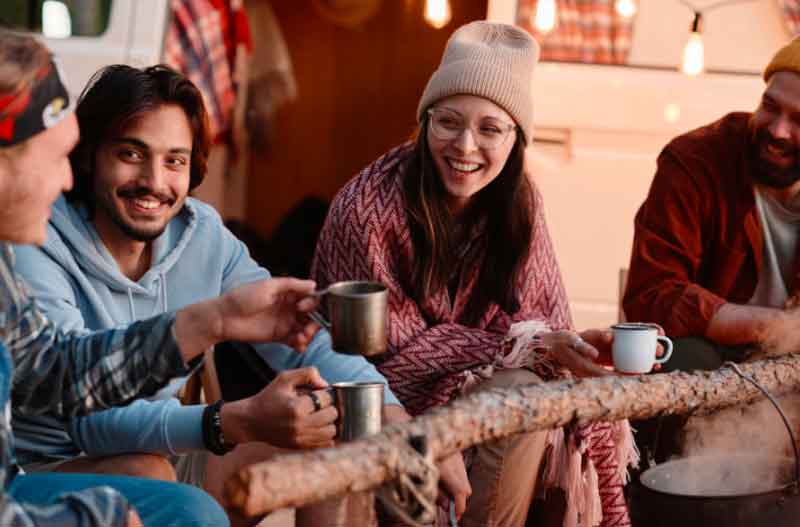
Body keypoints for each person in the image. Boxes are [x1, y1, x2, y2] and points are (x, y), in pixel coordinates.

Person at [9, 63, 437, 526]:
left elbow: (299, 334)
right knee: (146, 470)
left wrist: (392, 411)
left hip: (170, 443)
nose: (154, 181)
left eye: (175, 160)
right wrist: (226, 421)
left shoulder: (203, 237)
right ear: (90, 154)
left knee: (323, 447)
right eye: (132, 154)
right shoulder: (35, 240)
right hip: (51, 467)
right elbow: (86, 413)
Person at [312, 21, 637, 527]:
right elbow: (382, 358)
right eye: (448, 122)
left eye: (489, 129)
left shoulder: (520, 205)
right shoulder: (367, 207)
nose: (465, 146)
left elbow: (545, 329)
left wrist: (567, 348)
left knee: (539, 397)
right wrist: (527, 345)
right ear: (425, 122)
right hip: (371, 398)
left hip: (474, 394)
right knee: (520, 382)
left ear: (515, 139)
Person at [0, 29, 322, 527]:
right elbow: (81, 420)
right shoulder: (30, 249)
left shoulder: (5, 270)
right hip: (38, 473)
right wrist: (95, 515)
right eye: (55, 158)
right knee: (170, 498)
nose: (66, 181)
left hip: (130, 454)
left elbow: (58, 372)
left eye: (175, 160)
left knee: (292, 466)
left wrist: (215, 319)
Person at [623, 37, 800, 372]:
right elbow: (652, 297)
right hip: (711, 357)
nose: (778, 130)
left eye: (799, 121)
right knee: (684, 356)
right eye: (770, 106)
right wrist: (782, 327)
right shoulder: (694, 161)